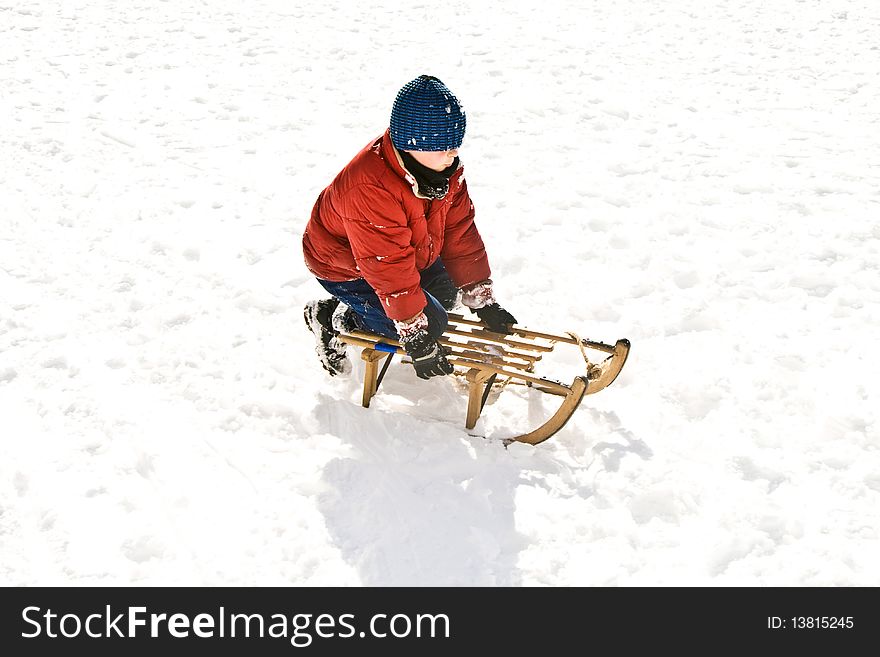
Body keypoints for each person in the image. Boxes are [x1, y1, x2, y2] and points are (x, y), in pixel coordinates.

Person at [302, 75, 517, 380]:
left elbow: (460, 232)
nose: (453, 153)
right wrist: (414, 334)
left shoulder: (444, 170)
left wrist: (480, 298)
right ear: (413, 143)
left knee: (445, 295)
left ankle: (366, 312)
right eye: (443, 146)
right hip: (345, 265)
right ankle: (332, 317)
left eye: (455, 145)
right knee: (431, 323)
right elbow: (386, 265)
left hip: (407, 253)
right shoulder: (370, 186)